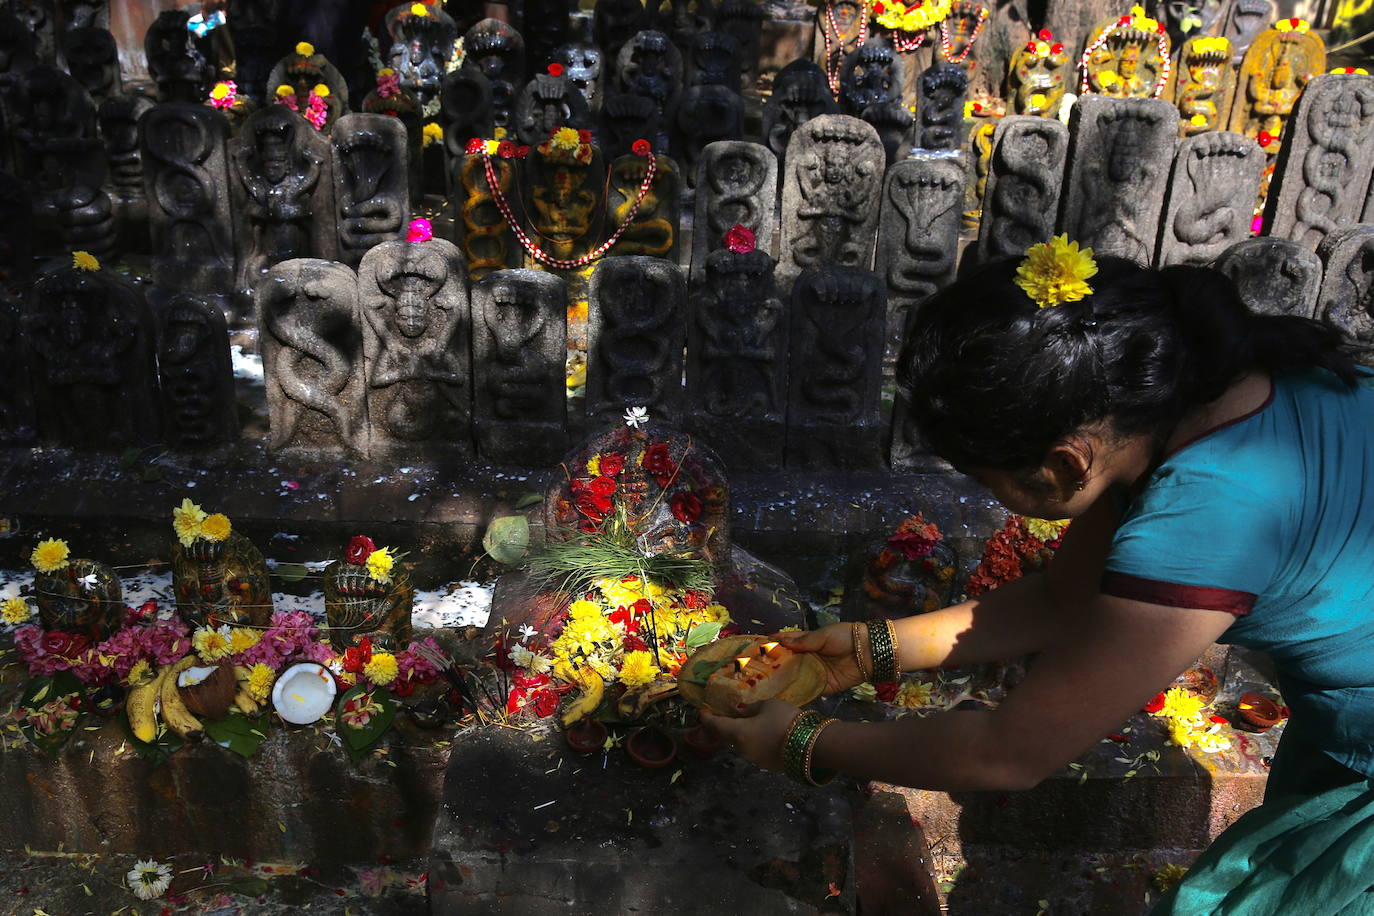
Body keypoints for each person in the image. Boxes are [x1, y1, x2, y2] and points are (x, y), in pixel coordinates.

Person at [704, 237, 1374, 913]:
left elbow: (1010, 753)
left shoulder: (1207, 516)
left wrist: (803, 742)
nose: (985, 492)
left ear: (1065, 464)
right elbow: (1061, 599)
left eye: (981, 478)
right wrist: (868, 649)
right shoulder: (1187, 399)